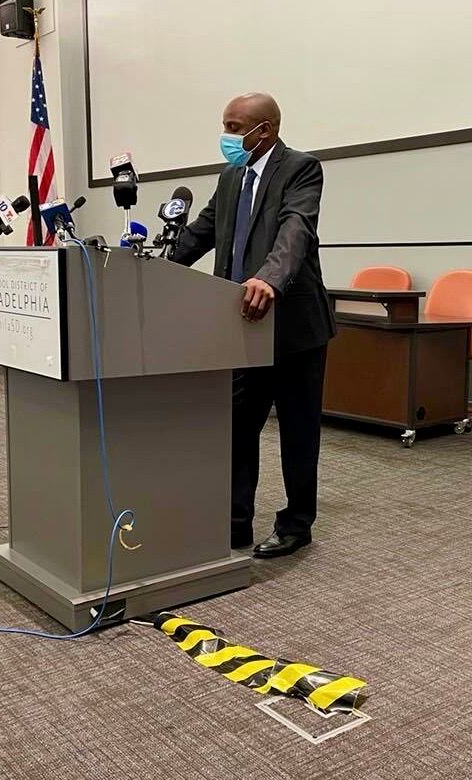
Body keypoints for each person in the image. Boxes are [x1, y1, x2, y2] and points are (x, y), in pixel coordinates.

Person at [171, 92, 336, 559]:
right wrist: (152, 267)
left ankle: (297, 523)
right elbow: (201, 233)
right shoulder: (230, 178)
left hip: (293, 326)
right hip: (241, 325)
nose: (226, 136)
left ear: (264, 130)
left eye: (234, 126)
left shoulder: (301, 169)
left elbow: (295, 228)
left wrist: (269, 277)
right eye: (224, 125)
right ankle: (233, 522)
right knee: (236, 424)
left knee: (298, 430)